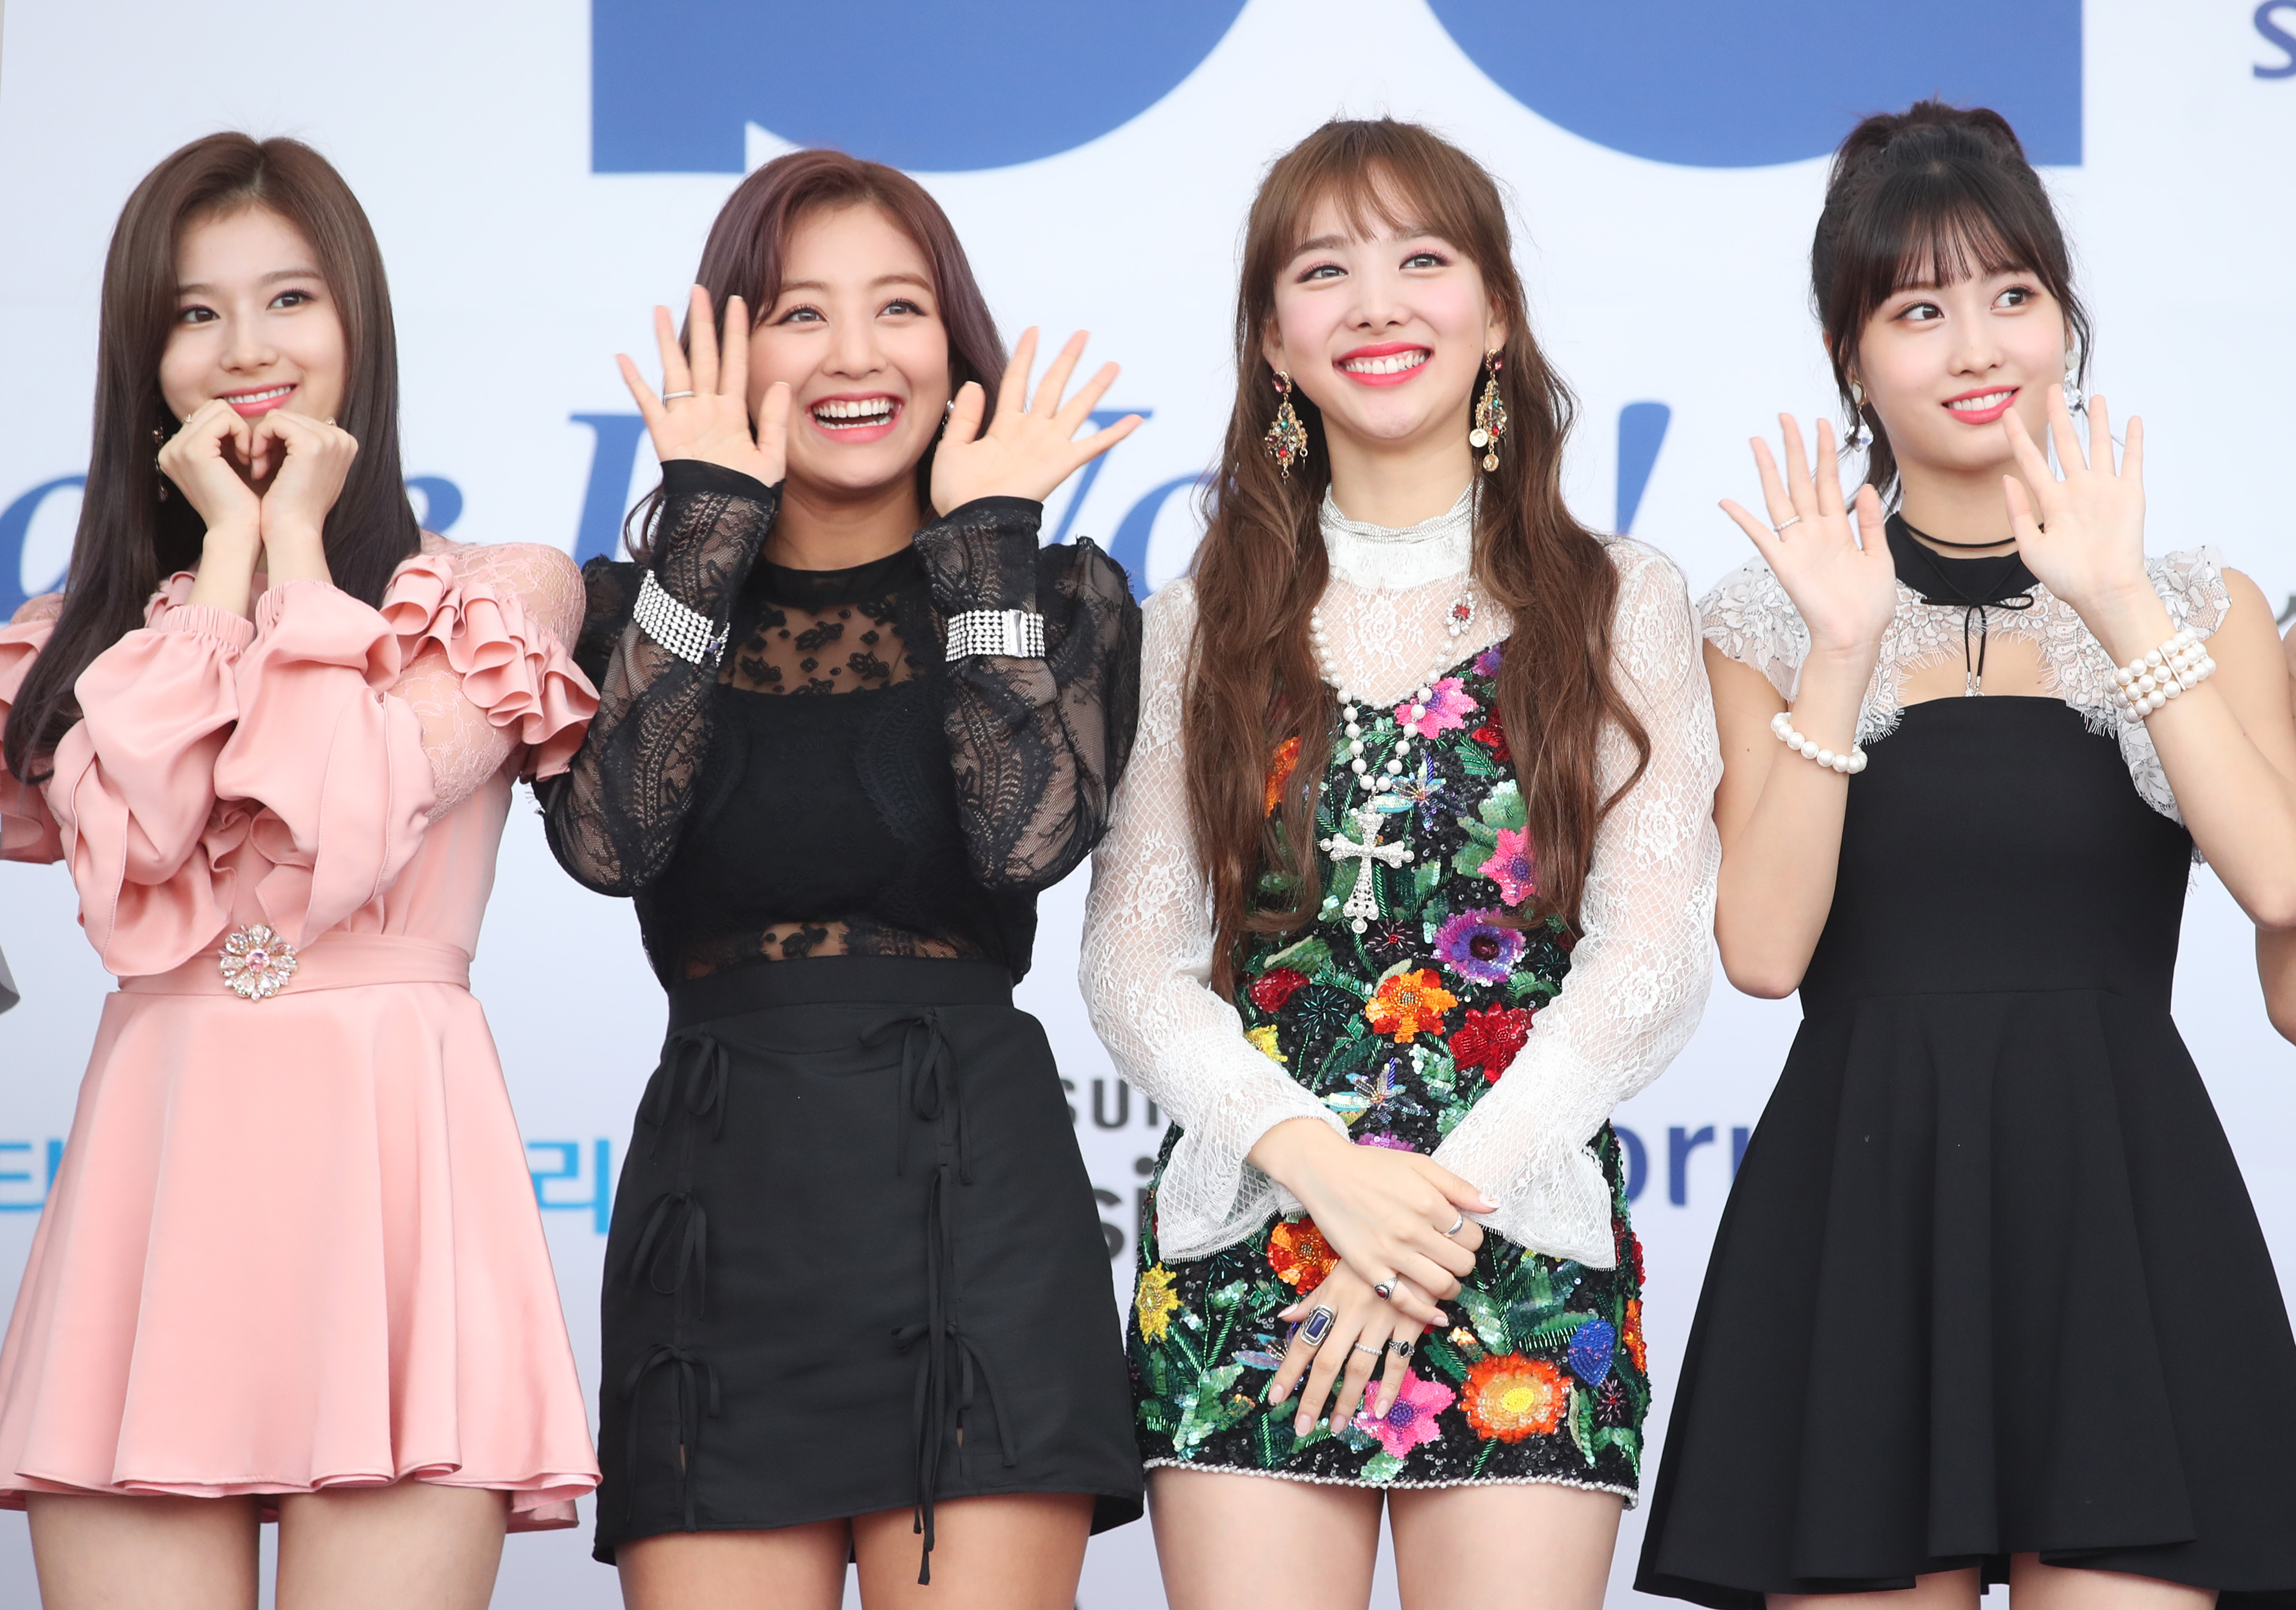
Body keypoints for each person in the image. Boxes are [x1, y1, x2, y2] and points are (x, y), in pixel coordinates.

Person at [1635, 102, 2296, 1610]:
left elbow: (2279, 883)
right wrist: (1839, 652)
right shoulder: (1763, 618)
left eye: (2012, 295)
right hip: (1864, 1213)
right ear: (1851, 356)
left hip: (2122, 1212)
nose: (1977, 346)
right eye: (1919, 311)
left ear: (2066, 320)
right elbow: (1764, 953)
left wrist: (2122, 607)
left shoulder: (2207, 599)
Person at [1081, 118, 1721, 1610]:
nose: (1376, 304)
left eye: (1422, 260)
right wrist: (1324, 1175)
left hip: (1515, 1233)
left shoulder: (1620, 599)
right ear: (1272, 340)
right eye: (1324, 271)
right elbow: (1132, 963)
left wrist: (1424, 1214)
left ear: (1496, 313)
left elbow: (1649, 964)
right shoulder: (1199, 620)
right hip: (1256, 1233)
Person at [539, 148, 1145, 1610]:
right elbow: (608, 845)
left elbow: (1026, 843)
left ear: (954, 346)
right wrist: (704, 529)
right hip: (721, 1219)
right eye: (802, 313)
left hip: (976, 1214)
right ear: (728, 352)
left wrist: (982, 546)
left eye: (900, 308)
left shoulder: (1053, 592)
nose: (858, 354)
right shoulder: (629, 611)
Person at [0, 133, 599, 1610]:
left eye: (289, 300)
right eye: (195, 313)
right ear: (144, 360)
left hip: (395, 1177)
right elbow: (139, 861)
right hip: (159, 1184)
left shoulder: (491, 594)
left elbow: (347, 810)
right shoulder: (70, 641)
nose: (246, 350)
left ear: (359, 326)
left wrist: (300, 555)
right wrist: (223, 564)